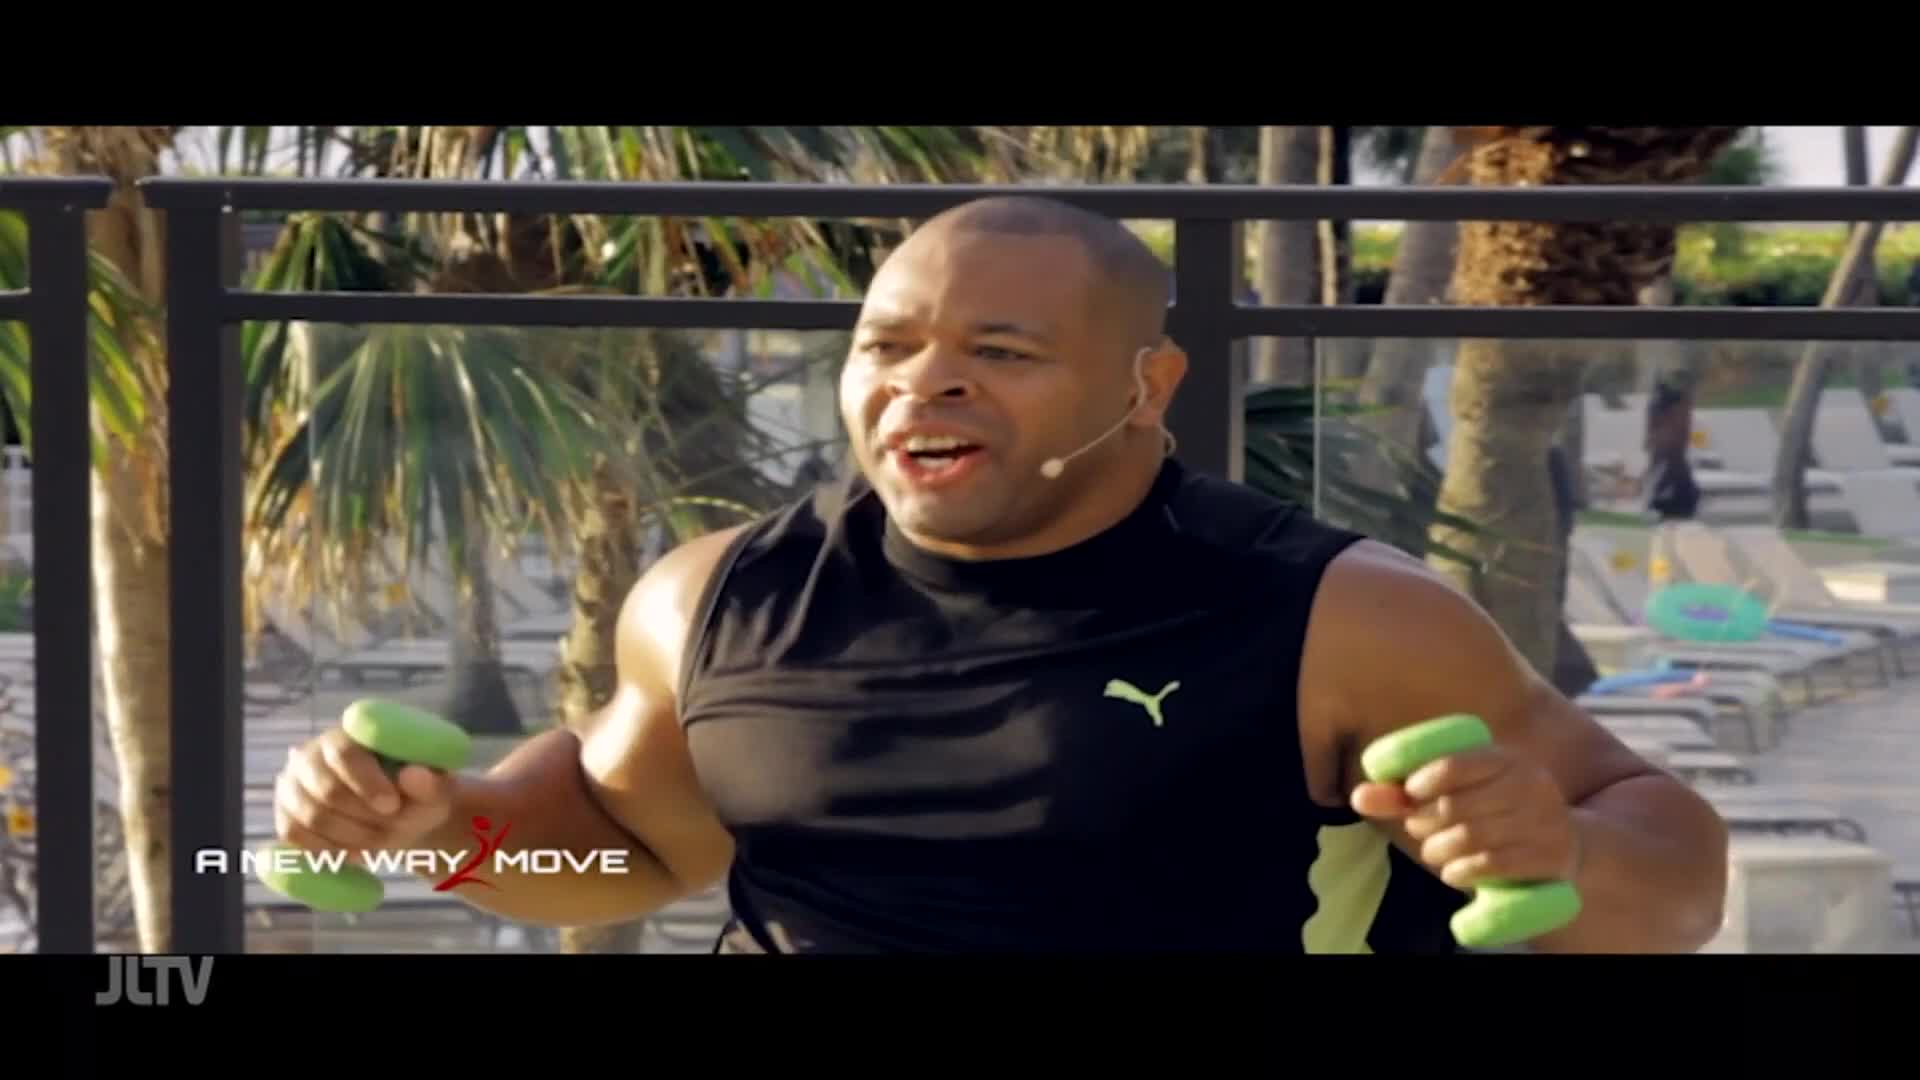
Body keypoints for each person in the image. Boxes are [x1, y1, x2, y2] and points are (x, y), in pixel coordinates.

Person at [271, 196, 1730, 953]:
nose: (926, 385)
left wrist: (1560, 852)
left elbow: (1677, 877)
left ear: (1147, 386)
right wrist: (440, 828)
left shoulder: (1338, 616)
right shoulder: (715, 598)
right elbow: (623, 858)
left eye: (1001, 352)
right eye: (888, 347)